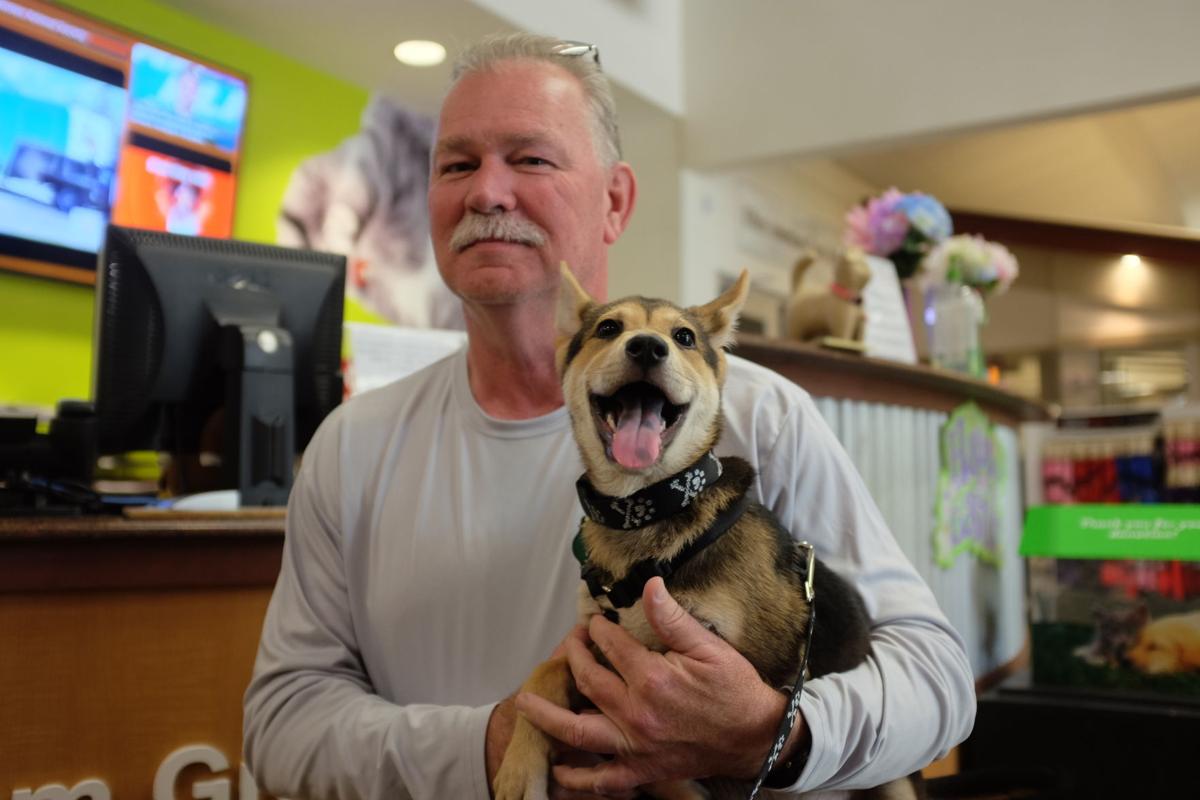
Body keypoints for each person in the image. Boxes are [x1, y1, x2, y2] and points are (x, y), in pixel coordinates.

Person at [242, 33, 976, 799]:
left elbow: (935, 678)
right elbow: (282, 727)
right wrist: (491, 745)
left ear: (615, 201)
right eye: (456, 165)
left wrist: (774, 733)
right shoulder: (350, 445)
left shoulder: (764, 417)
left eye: (529, 159)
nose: (487, 192)